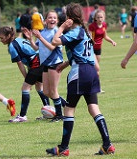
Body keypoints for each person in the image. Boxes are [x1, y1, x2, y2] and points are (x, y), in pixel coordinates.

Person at [45, 3, 115, 156]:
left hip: (80, 72)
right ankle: (107, 145)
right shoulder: (84, 31)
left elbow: (55, 41)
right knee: (93, 108)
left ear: (69, 17)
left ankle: (63, 148)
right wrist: (65, 65)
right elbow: (82, 54)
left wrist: (62, 27)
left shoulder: (75, 31)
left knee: (69, 109)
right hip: (90, 72)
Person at [0, 26, 50, 122]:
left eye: (2, 38)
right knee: (39, 87)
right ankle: (49, 112)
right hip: (41, 60)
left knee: (25, 88)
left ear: (9, 35)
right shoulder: (18, 39)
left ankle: (22, 116)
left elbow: (19, 63)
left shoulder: (12, 46)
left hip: (36, 63)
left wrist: (26, 78)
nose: (0, 40)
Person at [23, 10, 66, 122]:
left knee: (53, 90)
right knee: (46, 91)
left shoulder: (57, 32)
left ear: (57, 20)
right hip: (45, 64)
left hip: (55, 62)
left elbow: (52, 47)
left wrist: (40, 37)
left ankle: (59, 115)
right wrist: (31, 39)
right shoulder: (44, 31)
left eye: (54, 18)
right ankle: (64, 104)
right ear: (45, 20)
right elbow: (37, 48)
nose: (52, 20)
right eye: (50, 17)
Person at [88, 9, 117, 92]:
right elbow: (89, 36)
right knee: (96, 69)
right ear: (95, 18)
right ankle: (97, 88)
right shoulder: (92, 26)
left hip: (98, 49)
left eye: (101, 17)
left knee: (94, 69)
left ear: (104, 18)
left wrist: (112, 41)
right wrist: (91, 41)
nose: (100, 19)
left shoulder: (104, 25)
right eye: (98, 17)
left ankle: (92, 87)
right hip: (91, 49)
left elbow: (105, 36)